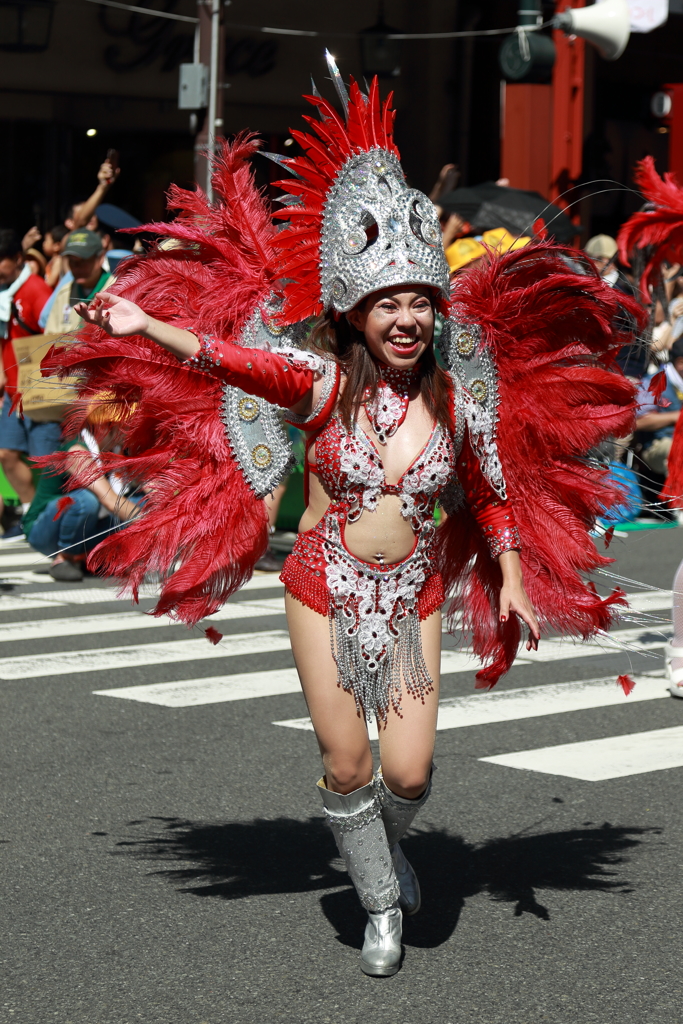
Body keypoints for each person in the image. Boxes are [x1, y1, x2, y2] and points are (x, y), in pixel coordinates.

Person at [47, 60, 641, 976]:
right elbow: (228, 361)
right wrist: (142, 324)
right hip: (323, 586)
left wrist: (515, 583)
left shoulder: (455, 399)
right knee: (350, 763)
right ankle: (377, 905)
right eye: (386, 303)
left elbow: (487, 495)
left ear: (433, 312)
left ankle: (382, 846)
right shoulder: (320, 383)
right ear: (355, 315)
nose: (404, 317)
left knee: (406, 774)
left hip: (414, 593)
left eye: (417, 302)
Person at [24, 423, 141, 581]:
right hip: (46, 529)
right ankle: (65, 558)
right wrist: (156, 525)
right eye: (124, 426)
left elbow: (152, 487)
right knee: (85, 501)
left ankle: (92, 557)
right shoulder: (76, 452)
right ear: (103, 427)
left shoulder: (119, 450)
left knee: (143, 502)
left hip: (90, 525)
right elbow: (110, 500)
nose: (130, 432)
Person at [0, 228, 55, 538]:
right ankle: (29, 514)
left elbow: (54, 338)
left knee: (43, 459)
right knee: (6, 453)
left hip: (37, 389)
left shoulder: (35, 291)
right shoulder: (4, 293)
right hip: (11, 389)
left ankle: (43, 522)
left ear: (17, 259)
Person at [44, 229, 112, 336]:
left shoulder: (118, 290)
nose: (76, 267)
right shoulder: (64, 294)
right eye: (72, 261)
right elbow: (48, 338)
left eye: (83, 261)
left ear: (100, 258)